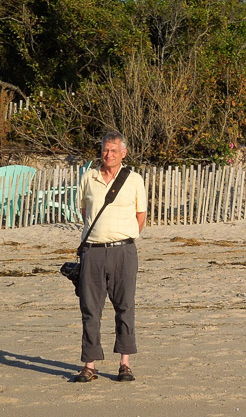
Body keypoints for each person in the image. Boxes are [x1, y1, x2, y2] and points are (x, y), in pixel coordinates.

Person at [72, 131, 147, 383]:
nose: (109, 154)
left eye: (114, 150)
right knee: (90, 310)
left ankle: (125, 364)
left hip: (124, 251)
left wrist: (123, 236)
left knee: (125, 307)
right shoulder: (88, 177)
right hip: (93, 251)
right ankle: (89, 365)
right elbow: (85, 212)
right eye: (105, 149)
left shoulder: (134, 180)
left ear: (123, 153)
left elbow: (141, 216)